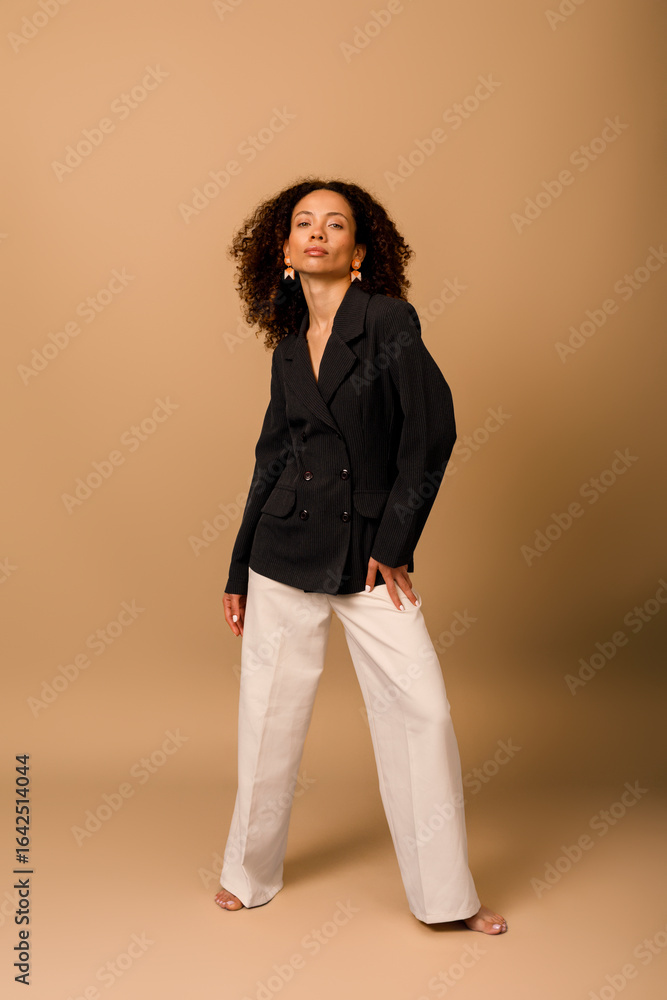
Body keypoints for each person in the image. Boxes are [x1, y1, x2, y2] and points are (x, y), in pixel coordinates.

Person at [214, 178, 507, 934]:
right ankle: (247, 874)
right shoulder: (286, 348)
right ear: (283, 250)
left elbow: (431, 433)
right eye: (303, 223)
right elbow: (271, 459)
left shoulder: (387, 320)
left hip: (368, 555)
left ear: (360, 252)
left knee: (421, 713)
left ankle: (446, 899)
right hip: (282, 551)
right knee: (267, 718)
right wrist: (237, 567)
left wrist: (394, 542)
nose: (317, 232)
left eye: (335, 224)